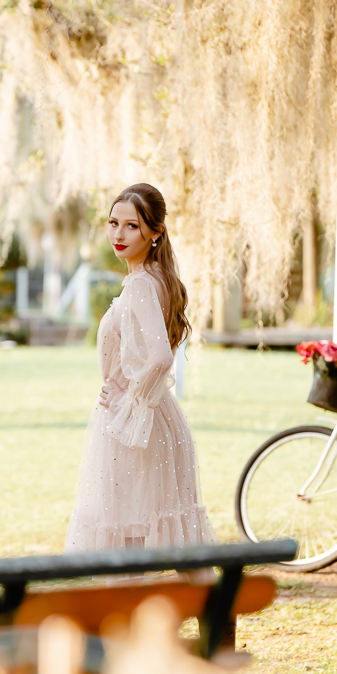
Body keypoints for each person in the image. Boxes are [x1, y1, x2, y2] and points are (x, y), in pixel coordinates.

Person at [65, 183, 217, 551]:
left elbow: (162, 357)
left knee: (124, 542)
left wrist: (126, 400)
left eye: (132, 226)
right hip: (154, 419)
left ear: (155, 232)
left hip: (135, 425)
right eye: (113, 223)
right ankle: (217, 608)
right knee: (173, 541)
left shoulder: (140, 285)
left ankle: (126, 609)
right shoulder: (157, 278)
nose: (118, 234)